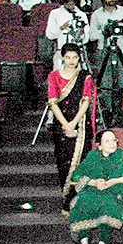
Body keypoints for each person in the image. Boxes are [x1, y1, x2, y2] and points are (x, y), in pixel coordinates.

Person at [67, 130, 123, 244]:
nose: (112, 143)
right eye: (107, 141)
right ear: (99, 145)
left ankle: (103, 243)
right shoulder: (92, 157)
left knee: (107, 201)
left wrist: (114, 181)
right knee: (81, 201)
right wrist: (94, 182)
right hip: (94, 189)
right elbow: (76, 175)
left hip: (116, 189)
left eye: (114, 140)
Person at [49, 44, 97, 209]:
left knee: (81, 160)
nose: (71, 61)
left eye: (75, 57)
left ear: (79, 58)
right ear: (62, 57)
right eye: (68, 57)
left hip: (81, 123)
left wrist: (74, 123)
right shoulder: (54, 76)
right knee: (63, 160)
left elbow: (86, 101)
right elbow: (53, 102)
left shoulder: (85, 77)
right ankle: (68, 197)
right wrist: (66, 124)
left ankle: (79, 198)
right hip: (61, 123)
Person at [44, 0, 90, 70]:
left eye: (73, 4)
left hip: (78, 51)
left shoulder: (82, 15)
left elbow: (86, 38)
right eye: (68, 4)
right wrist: (61, 28)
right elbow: (49, 35)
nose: (71, 6)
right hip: (61, 51)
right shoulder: (55, 13)